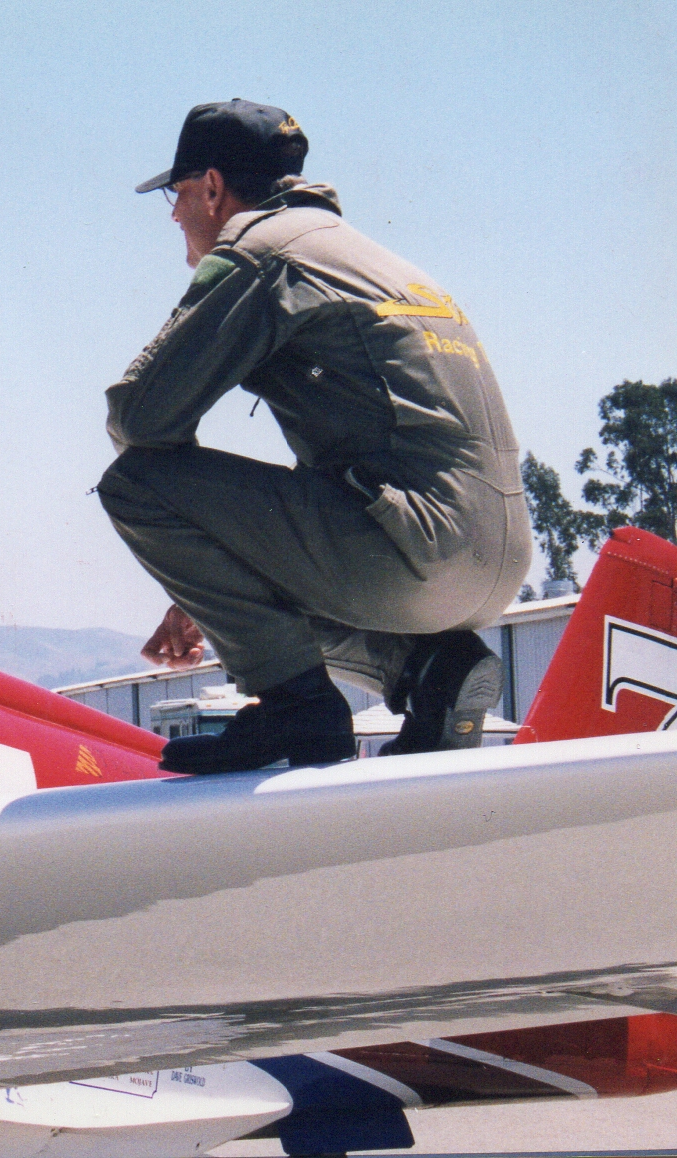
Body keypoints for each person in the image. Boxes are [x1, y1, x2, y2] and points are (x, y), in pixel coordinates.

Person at [99, 100, 532, 774]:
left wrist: (202, 573)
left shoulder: (262, 249)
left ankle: (298, 709)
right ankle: (432, 671)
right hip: (493, 565)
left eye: (177, 195)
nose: (177, 216)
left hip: (413, 557)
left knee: (137, 482)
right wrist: (204, 586)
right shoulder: (376, 259)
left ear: (212, 188)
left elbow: (141, 419)